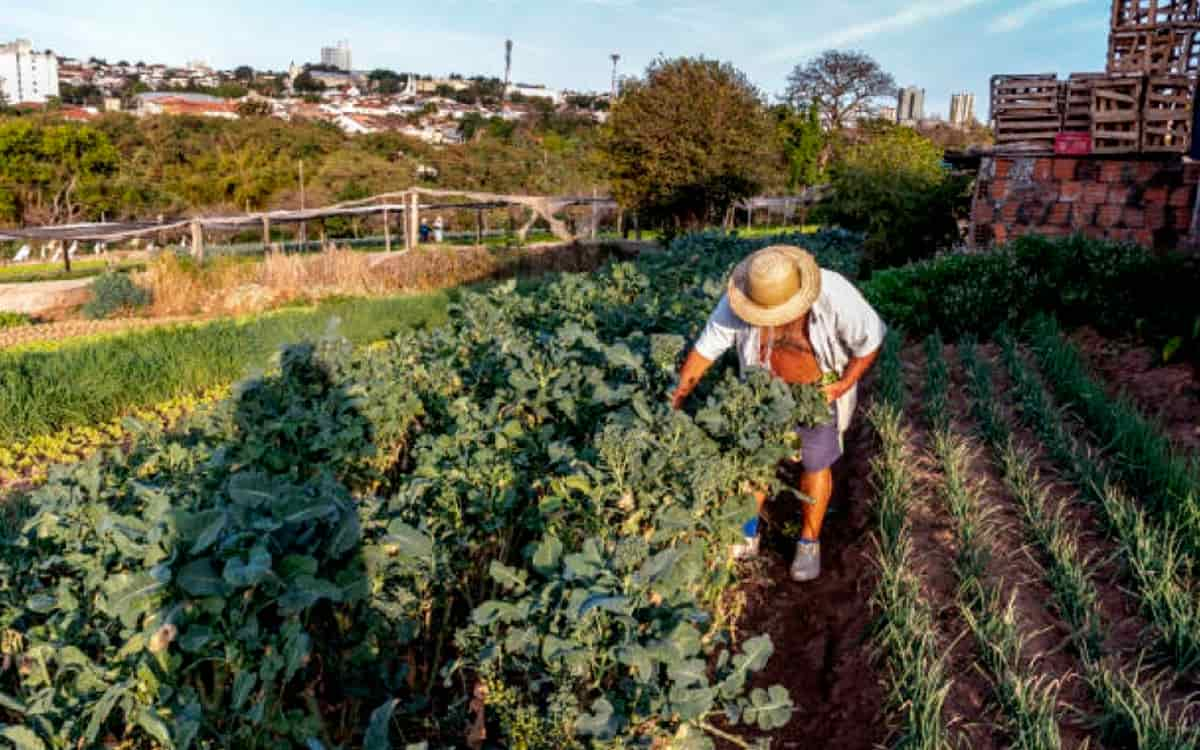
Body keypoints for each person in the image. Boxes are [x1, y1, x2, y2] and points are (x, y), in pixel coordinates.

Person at [671, 245, 886, 582]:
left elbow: (870, 340)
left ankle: (809, 541)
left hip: (816, 392)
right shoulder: (739, 299)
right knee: (753, 462)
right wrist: (674, 403)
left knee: (815, 464)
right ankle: (746, 532)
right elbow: (703, 353)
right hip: (762, 391)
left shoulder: (836, 295)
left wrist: (844, 384)